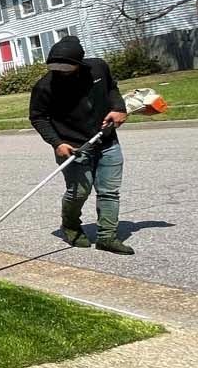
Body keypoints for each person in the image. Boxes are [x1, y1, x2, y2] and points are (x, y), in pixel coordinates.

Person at [28, 35, 133, 254]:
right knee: (78, 192)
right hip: (72, 148)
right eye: (55, 68)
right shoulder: (45, 86)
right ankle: (70, 226)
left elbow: (112, 89)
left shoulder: (98, 69)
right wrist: (57, 143)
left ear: (79, 64)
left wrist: (118, 108)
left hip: (106, 140)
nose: (60, 72)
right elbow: (38, 117)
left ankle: (107, 237)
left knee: (109, 191)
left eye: (65, 68)